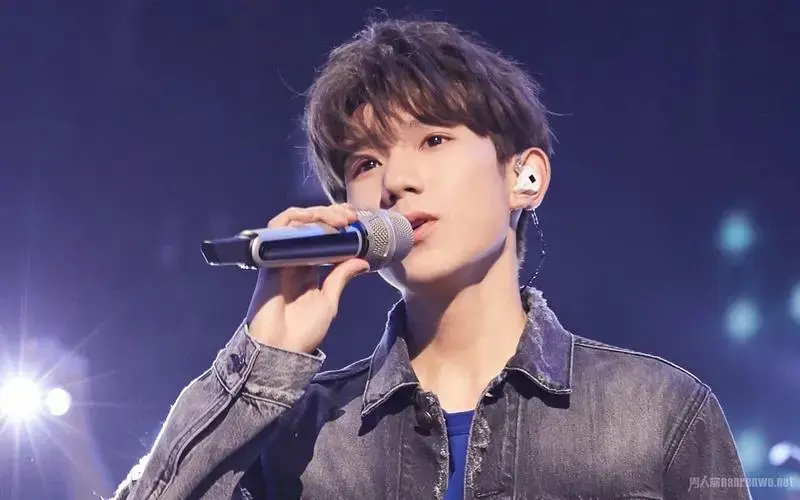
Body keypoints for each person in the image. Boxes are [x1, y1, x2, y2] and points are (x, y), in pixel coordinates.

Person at [112, 18, 750, 500]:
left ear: (524, 177)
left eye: (434, 139)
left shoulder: (656, 413)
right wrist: (261, 365)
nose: (396, 180)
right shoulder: (300, 437)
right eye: (366, 162)